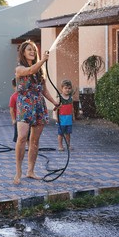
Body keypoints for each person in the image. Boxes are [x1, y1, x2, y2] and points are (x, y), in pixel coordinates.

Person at [13, 40, 59, 185]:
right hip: (25, 105)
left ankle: (30, 171)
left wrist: (54, 102)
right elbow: (29, 71)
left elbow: (43, 89)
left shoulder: (40, 70)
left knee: (35, 141)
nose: (32, 52)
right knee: (21, 138)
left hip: (39, 105)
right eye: (29, 50)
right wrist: (43, 61)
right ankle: (18, 171)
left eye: (34, 50)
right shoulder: (19, 68)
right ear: (23, 53)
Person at [9, 78, 30, 144]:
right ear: (13, 87)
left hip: (27, 118)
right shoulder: (13, 97)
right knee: (19, 136)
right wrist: (13, 119)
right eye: (16, 87)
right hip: (18, 120)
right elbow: (11, 109)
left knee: (28, 134)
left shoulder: (26, 95)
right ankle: (19, 147)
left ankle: (29, 146)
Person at [56, 79, 74, 151]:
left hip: (69, 118)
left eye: (69, 88)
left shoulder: (71, 98)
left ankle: (68, 145)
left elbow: (72, 108)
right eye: (65, 88)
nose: (67, 90)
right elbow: (57, 108)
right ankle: (60, 145)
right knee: (61, 133)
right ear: (62, 88)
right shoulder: (59, 98)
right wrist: (56, 117)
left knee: (68, 133)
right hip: (61, 118)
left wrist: (73, 116)